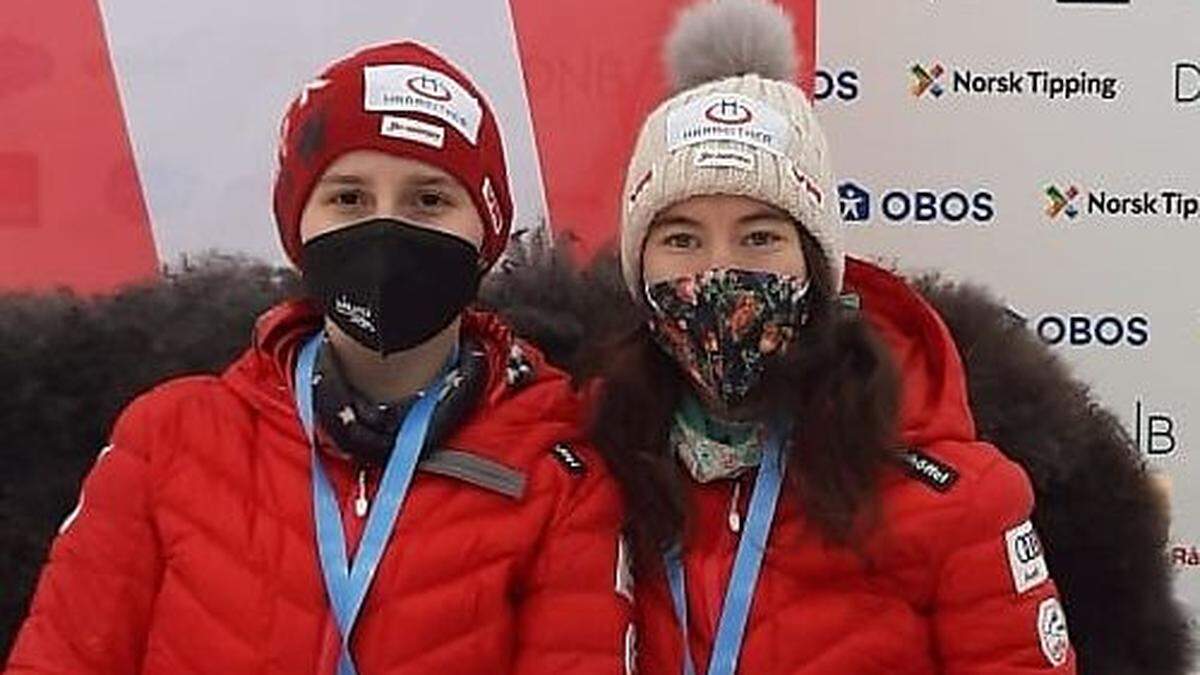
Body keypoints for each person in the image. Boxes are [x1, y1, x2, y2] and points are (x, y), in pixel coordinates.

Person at [5, 40, 632, 674]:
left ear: (486, 233)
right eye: (349, 199)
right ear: (298, 226)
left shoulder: (557, 479)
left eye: (429, 200)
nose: (386, 229)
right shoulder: (167, 437)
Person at [587, 1, 1077, 672]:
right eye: (680, 238)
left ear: (816, 268)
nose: (718, 271)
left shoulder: (956, 498)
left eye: (760, 236)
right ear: (638, 272)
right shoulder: (597, 462)